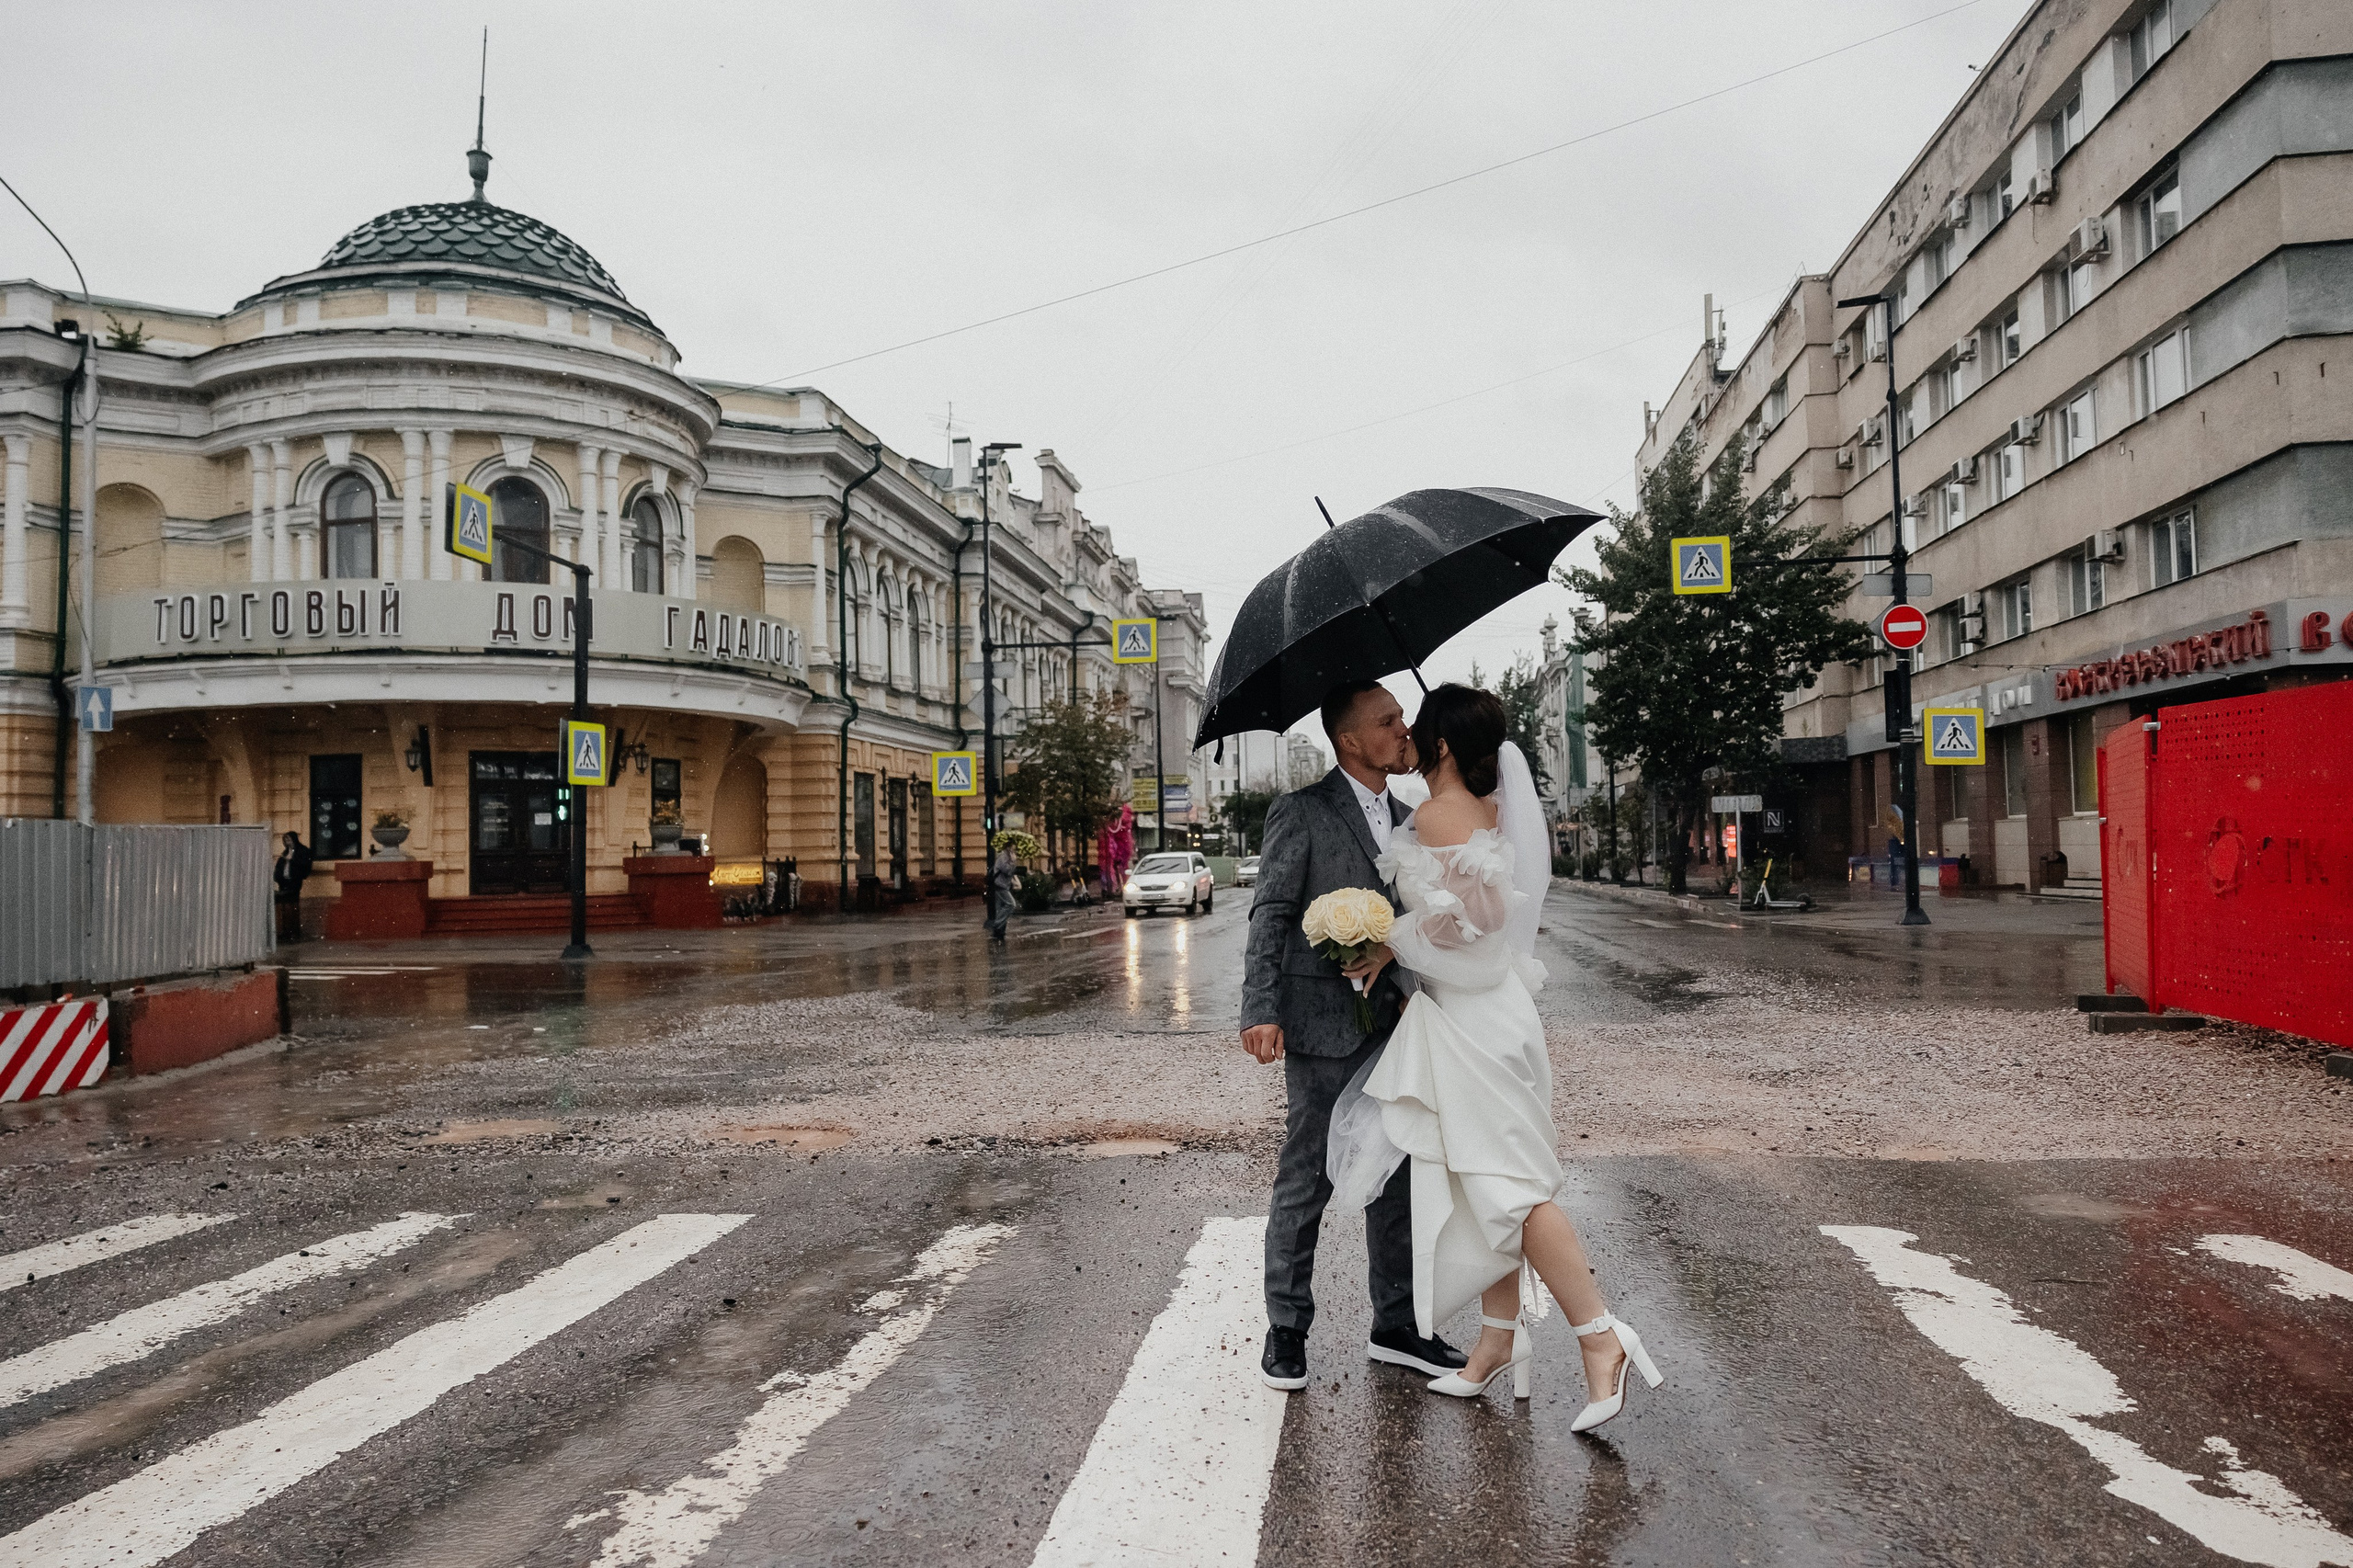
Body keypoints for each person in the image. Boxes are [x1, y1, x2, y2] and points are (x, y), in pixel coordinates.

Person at [1329, 683, 1665, 1431]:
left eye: (1415, 726)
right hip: (1479, 1014)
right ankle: (1495, 1345)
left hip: (1475, 1019)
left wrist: (1392, 943)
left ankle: (1601, 1338)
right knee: (1488, 1184)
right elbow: (1472, 921)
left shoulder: (1442, 814)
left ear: (1443, 744)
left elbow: (1475, 928)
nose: (1405, 735)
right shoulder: (1475, 809)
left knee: (1510, 1189)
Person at [1241, 679, 1467, 1392]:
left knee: (1399, 1177)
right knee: (1307, 1176)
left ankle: (1396, 1325)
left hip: (1397, 1024)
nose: (1403, 730)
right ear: (1348, 740)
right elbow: (1272, 913)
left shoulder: (1411, 819)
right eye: (1388, 721)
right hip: (1319, 1026)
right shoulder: (1301, 811)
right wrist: (1260, 1009)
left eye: (1402, 718)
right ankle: (1286, 1330)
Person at [273, 831, 314, 943]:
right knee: (282, 905)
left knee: (292, 905)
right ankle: (284, 931)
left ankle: (293, 931)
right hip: (283, 883)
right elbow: (279, 867)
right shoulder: (285, 852)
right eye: (286, 840)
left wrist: (292, 860)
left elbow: (305, 865)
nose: (288, 842)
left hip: (294, 882)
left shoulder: (302, 851)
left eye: (289, 839)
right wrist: (278, 877)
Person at [987, 840, 1017, 943]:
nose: (1014, 850)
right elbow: (1007, 871)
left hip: (1003, 885)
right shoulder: (1003, 856)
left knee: (1000, 908)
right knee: (1011, 904)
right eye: (1013, 847)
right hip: (1000, 885)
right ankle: (997, 925)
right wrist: (1013, 862)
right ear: (1008, 847)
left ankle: (999, 931)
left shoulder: (1006, 856)